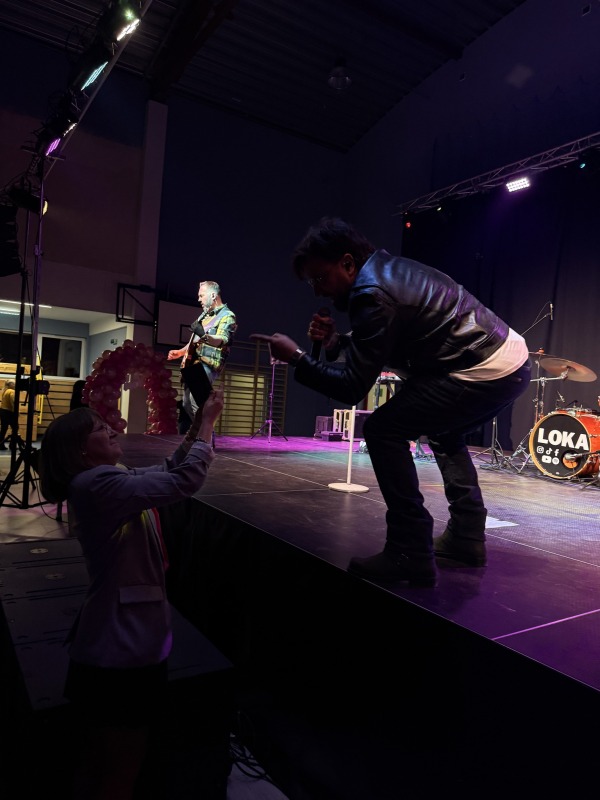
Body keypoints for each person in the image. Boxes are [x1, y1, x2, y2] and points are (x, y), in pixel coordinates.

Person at [251, 217, 531, 586]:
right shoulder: (385, 272)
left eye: (320, 278)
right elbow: (387, 343)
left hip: (483, 367)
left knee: (383, 430)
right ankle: (466, 538)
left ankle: (409, 551)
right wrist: (334, 343)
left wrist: (297, 358)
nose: (318, 291)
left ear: (347, 263)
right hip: (508, 362)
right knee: (444, 432)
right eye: (311, 283)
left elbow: (351, 387)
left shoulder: (371, 294)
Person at [38, 387, 224, 799]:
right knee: (120, 768)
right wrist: (209, 425)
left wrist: (194, 427)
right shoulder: (97, 484)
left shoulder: (104, 479)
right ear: (79, 450)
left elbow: (168, 469)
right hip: (120, 651)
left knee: (97, 760)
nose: (112, 431)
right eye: (100, 429)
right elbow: (185, 480)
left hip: (110, 649)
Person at [167, 280, 237, 421]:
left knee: (197, 404)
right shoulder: (204, 315)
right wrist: (181, 352)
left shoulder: (227, 316)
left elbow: (222, 340)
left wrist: (204, 335)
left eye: (201, 295)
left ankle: (205, 433)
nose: (199, 299)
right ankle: (200, 432)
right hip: (192, 364)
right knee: (187, 404)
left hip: (206, 365)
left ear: (213, 295)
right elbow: (195, 341)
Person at [0, 379, 16, 450]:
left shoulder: (5, 391)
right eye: (14, 384)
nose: (15, 385)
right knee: (15, 428)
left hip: (3, 411)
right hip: (9, 412)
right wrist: (15, 411)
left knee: (4, 429)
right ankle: (12, 444)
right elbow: (13, 402)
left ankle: (1, 444)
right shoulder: (11, 391)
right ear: (10, 385)